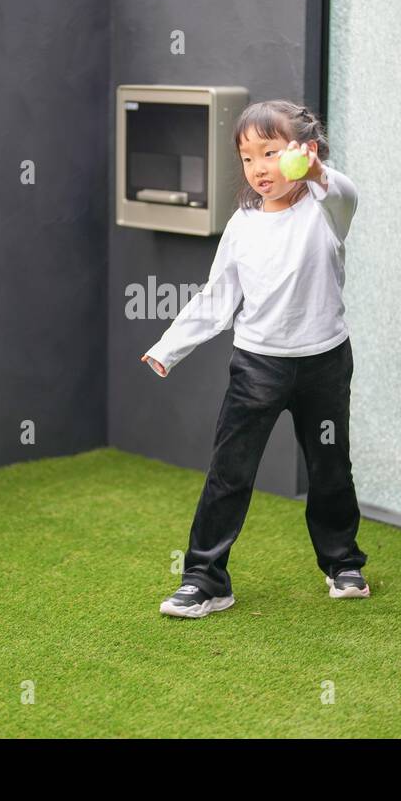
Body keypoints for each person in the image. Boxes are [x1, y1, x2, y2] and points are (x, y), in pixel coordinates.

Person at [141, 99, 370, 618]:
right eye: (248, 158)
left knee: (330, 467)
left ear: (304, 151)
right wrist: (167, 349)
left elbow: (345, 191)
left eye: (271, 153)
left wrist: (315, 171)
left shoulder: (326, 211)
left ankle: (343, 564)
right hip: (257, 368)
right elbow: (218, 297)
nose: (259, 168)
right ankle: (206, 580)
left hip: (325, 363)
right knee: (229, 472)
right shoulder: (243, 225)